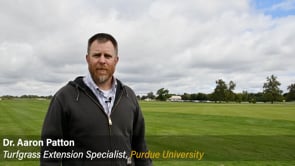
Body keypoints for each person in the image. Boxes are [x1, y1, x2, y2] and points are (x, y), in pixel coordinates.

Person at [41, 33, 152, 166]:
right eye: (96, 55)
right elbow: (50, 153)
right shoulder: (65, 97)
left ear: (116, 60)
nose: (102, 61)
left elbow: (140, 145)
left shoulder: (128, 95)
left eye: (108, 56)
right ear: (87, 59)